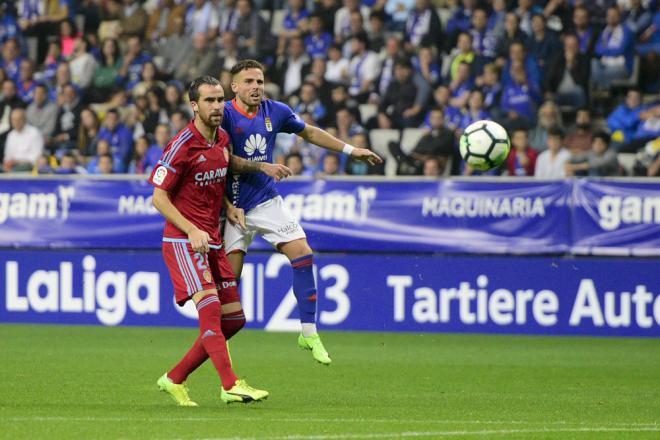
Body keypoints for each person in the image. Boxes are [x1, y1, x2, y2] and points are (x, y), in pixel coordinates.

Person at [221, 59, 382, 365]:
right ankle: (219, 358)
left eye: (260, 80)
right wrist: (228, 205)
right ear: (235, 86)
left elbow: (308, 132)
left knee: (303, 254)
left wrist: (350, 150)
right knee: (229, 289)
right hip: (232, 207)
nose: (256, 86)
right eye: (249, 81)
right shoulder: (224, 114)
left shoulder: (275, 111)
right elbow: (220, 160)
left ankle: (308, 332)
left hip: (265, 200)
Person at [150, 76, 290, 406]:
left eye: (219, 100)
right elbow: (158, 198)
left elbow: (221, 175)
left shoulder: (222, 138)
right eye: (209, 101)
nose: (217, 107)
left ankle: (174, 378)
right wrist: (191, 229)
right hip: (185, 241)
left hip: (212, 238)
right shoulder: (182, 144)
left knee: (234, 319)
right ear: (194, 106)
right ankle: (230, 384)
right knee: (211, 310)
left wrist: (230, 207)